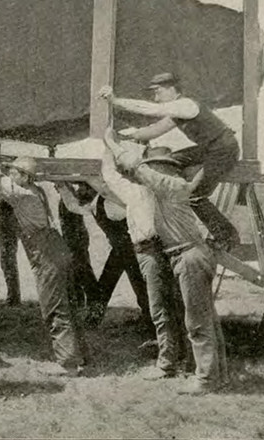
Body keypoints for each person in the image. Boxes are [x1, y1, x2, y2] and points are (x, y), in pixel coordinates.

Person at [109, 128, 228, 395]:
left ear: (164, 170)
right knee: (205, 317)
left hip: (188, 256)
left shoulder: (168, 186)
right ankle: (218, 375)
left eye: (156, 168)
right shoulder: (174, 187)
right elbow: (130, 173)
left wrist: (109, 142)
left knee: (197, 321)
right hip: (191, 254)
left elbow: (132, 167)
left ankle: (206, 379)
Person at [0, 133, 87, 376]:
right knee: (69, 306)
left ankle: (68, 365)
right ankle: (80, 356)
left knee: (54, 308)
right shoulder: (37, 191)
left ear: (24, 177)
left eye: (14, 172)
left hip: (47, 256)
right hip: (58, 249)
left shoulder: (22, 195)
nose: (10, 174)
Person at [100, 72, 240, 253]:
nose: (156, 98)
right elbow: (152, 131)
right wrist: (121, 137)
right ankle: (170, 190)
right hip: (209, 148)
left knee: (194, 196)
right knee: (168, 160)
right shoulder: (177, 113)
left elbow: (152, 110)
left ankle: (227, 237)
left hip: (223, 151)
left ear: (171, 89)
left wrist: (115, 100)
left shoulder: (187, 105)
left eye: (158, 92)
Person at [101, 131, 188, 379]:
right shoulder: (172, 190)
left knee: (159, 307)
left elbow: (109, 174)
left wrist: (109, 145)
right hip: (171, 248)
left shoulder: (137, 192)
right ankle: (182, 356)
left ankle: (167, 362)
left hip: (150, 250)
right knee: (176, 304)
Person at [55, 183, 151, 330]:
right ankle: (94, 319)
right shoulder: (92, 204)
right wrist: (63, 188)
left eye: (83, 188)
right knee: (110, 284)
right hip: (120, 251)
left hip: (131, 251)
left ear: (92, 189)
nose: (79, 191)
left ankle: (150, 322)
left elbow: (132, 212)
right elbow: (73, 206)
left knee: (136, 286)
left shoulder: (109, 203)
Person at [55, 186, 102, 325]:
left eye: (57, 185)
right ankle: (82, 308)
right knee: (77, 273)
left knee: (84, 273)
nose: (55, 188)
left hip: (76, 240)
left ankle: (94, 308)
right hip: (74, 240)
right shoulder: (67, 198)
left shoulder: (70, 198)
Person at [0, 197, 23, 305]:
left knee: (7, 258)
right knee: (8, 258)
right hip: (8, 214)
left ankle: (13, 297)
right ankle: (13, 296)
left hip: (6, 215)